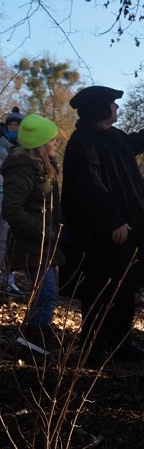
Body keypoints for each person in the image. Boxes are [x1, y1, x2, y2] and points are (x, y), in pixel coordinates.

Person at [61, 85, 144, 364]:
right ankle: (93, 349)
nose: (117, 108)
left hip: (123, 232)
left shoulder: (110, 137)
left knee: (125, 289)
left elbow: (137, 141)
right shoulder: (83, 142)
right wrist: (113, 220)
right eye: (112, 105)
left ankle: (121, 345)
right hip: (101, 236)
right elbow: (90, 187)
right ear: (99, 109)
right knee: (99, 292)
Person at [1, 114, 62, 355]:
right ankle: (34, 340)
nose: (56, 143)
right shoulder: (24, 170)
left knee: (45, 293)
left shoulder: (43, 169)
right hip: (31, 244)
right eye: (53, 140)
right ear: (41, 144)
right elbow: (11, 209)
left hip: (42, 243)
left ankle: (35, 338)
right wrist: (44, 231)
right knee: (46, 292)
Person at [0, 106, 25, 299]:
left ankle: (7, 279)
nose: (14, 128)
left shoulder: (26, 147)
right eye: (11, 124)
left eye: (17, 125)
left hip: (14, 198)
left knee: (9, 241)